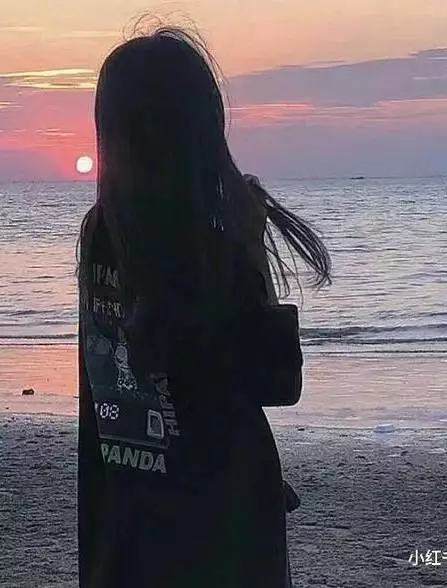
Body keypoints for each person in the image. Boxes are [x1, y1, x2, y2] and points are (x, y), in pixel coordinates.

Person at [76, 26, 331, 588]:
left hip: (125, 520)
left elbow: (134, 383)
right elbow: (276, 379)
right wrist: (249, 249)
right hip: (221, 529)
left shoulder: (102, 237)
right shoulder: (210, 249)